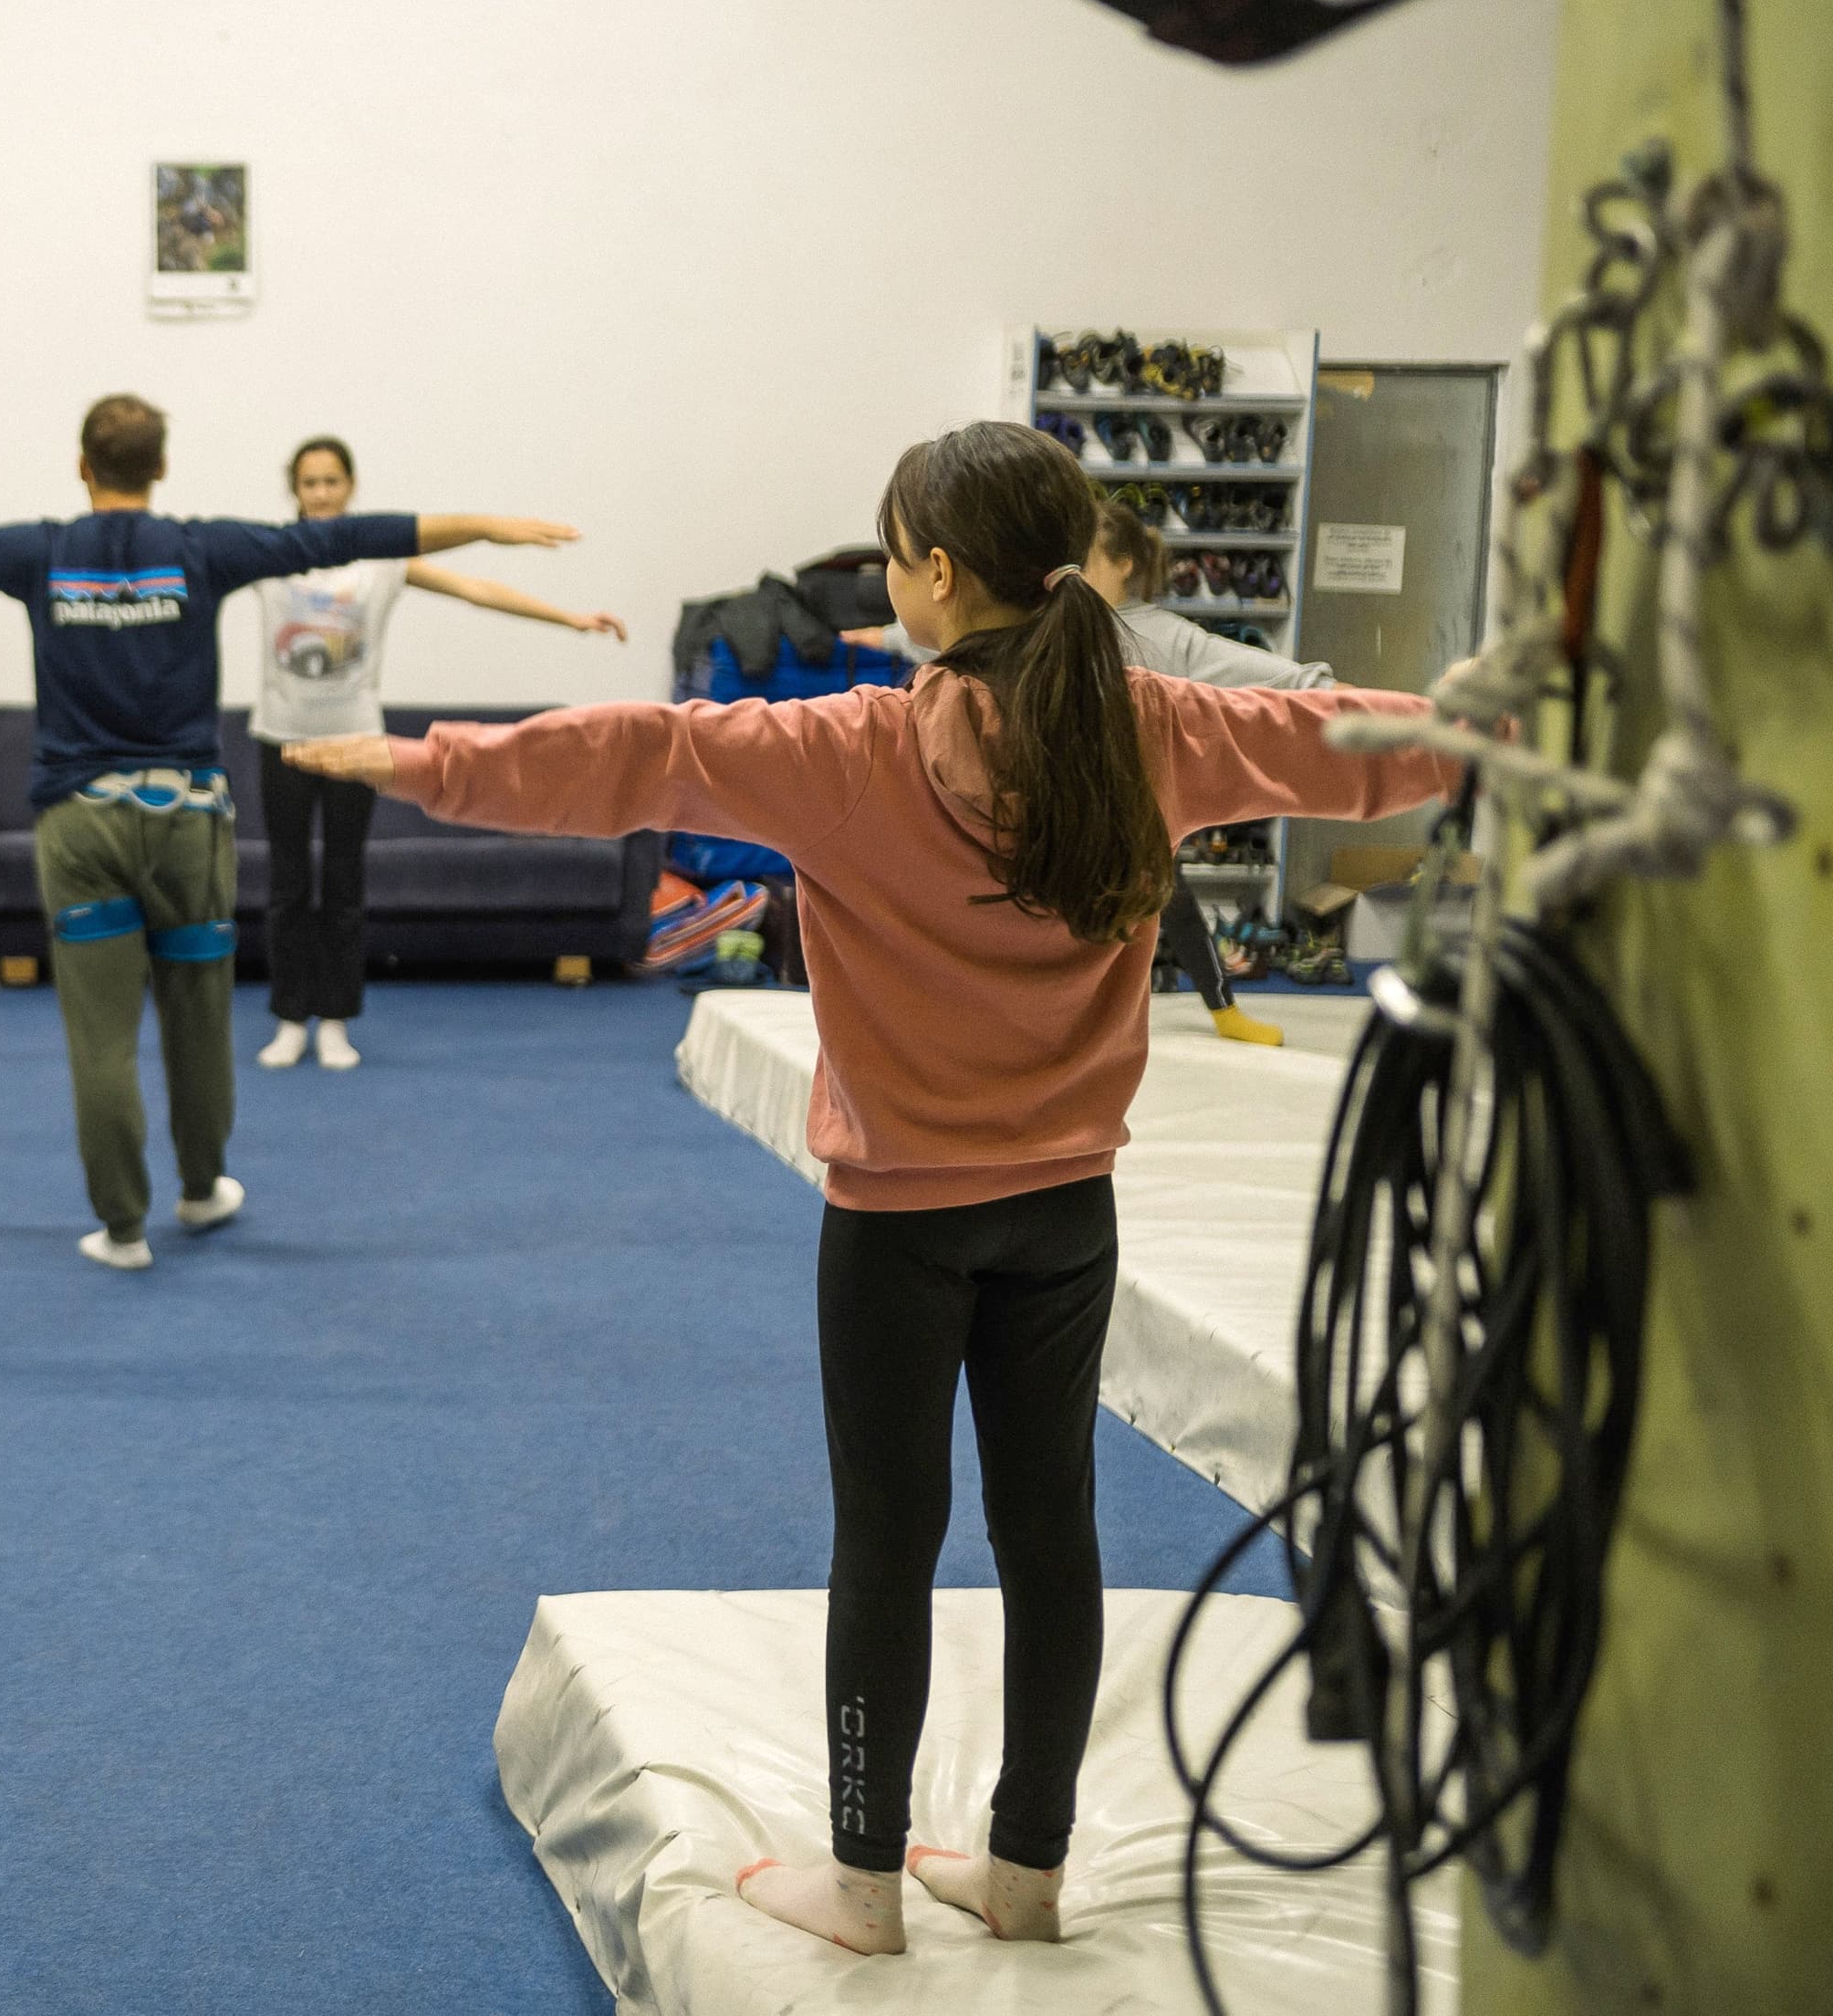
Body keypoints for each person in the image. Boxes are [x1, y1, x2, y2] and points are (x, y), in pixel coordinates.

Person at [283, 422, 1463, 1956]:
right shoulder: (1155, 728)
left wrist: (428, 765)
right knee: (1053, 1534)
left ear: (939, 576)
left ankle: (863, 1884)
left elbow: (637, 753)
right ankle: (1026, 1872)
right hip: (1066, 1215)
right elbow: (1360, 737)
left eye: (894, 552)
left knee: (888, 1541)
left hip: (901, 1220)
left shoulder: (851, 752)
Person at [0, 392, 575, 1271]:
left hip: (82, 824)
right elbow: (347, 538)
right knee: (199, 1016)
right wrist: (486, 521)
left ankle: (123, 1227)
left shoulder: (42, 553)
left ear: (82, 467)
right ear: (162, 468)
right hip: (186, 823)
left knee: (101, 1038)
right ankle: (203, 1185)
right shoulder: (204, 548)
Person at [248, 434, 625, 1072]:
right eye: (309, 483)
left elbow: (473, 589)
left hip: (358, 741)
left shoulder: (381, 560)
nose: (320, 494)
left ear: (350, 486)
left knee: (342, 881)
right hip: (280, 739)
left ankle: (335, 1018)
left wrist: (568, 618)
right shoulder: (270, 556)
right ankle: (289, 1018)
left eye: (331, 481)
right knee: (288, 885)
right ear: (295, 490)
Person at [1083, 501, 1333, 1048]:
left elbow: (1261, 672)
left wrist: (1331, 691)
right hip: (1068, 805)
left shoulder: (1166, 638)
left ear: (1123, 564)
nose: (1072, 570)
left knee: (1172, 905)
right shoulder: (1053, 623)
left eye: (1085, 558)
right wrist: (878, 637)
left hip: (1135, 808)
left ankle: (1224, 1011)